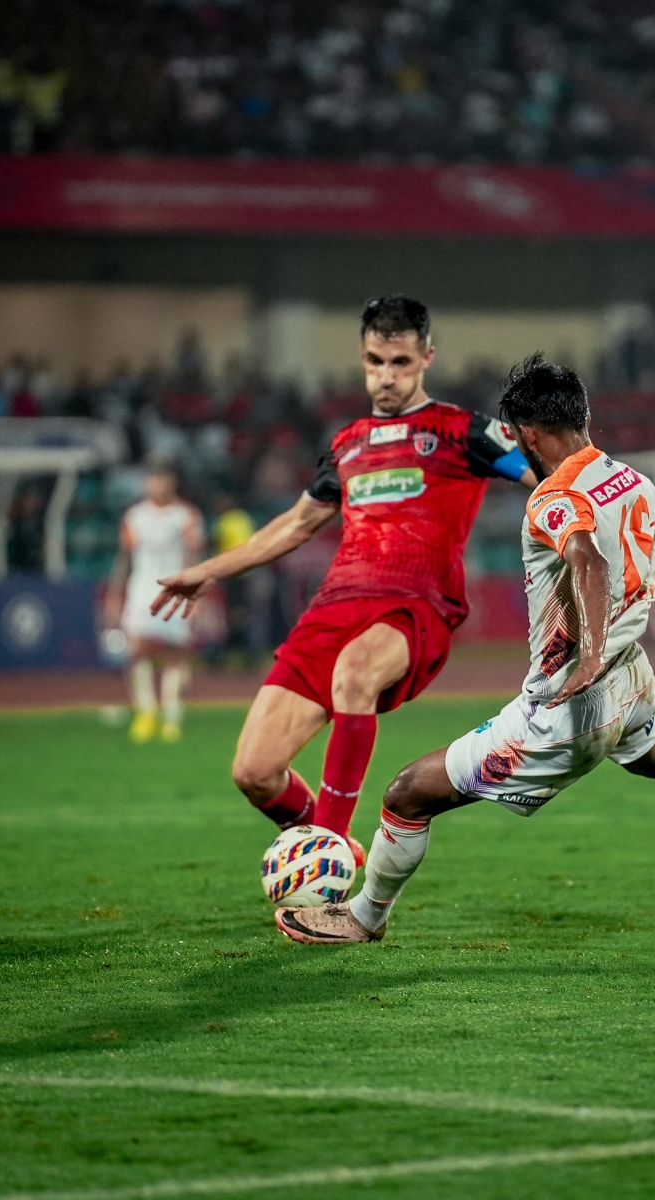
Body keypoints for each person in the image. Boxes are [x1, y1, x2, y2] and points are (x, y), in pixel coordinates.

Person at [274, 355, 655, 945]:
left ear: (527, 434)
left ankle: (364, 918)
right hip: (631, 678)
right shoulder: (634, 480)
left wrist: (587, 657)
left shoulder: (552, 498)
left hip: (569, 706)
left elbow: (586, 559)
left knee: (407, 794)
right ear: (583, 416)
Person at [152, 296, 536, 865]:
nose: (386, 376)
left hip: (415, 605)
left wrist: (637, 543)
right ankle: (335, 848)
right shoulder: (348, 443)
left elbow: (552, 479)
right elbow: (297, 523)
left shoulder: (464, 431)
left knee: (355, 675)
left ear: (426, 358)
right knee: (255, 772)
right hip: (334, 607)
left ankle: (326, 856)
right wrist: (207, 571)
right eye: (376, 362)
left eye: (400, 362)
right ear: (363, 359)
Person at [105, 459, 204, 743]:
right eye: (152, 479)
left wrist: (196, 595)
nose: (157, 485)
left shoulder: (186, 515)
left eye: (162, 479)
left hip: (176, 589)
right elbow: (124, 557)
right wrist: (114, 594)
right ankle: (146, 711)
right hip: (141, 589)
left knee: (175, 653)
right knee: (137, 649)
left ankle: (171, 714)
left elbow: (194, 555)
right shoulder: (134, 516)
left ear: (172, 482)